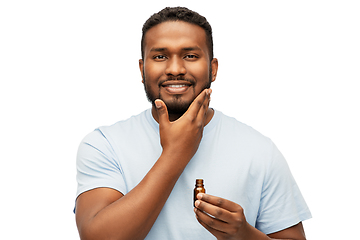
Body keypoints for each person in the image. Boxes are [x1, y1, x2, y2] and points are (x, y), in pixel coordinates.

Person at [75, 7, 311, 240]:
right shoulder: (105, 144)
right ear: (142, 69)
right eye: (160, 56)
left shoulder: (259, 150)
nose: (175, 69)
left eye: (190, 56)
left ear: (213, 68)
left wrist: (245, 236)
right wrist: (175, 154)